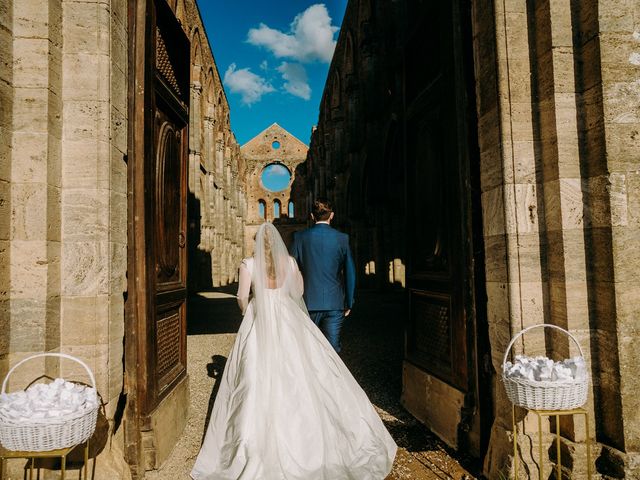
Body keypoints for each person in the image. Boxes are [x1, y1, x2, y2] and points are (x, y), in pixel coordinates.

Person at [190, 222, 396, 480]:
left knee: (255, 375)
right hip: (288, 316)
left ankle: (252, 444)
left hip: (259, 317)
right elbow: (298, 292)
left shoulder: (248, 264)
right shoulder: (289, 262)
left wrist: (251, 310)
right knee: (300, 370)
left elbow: (242, 296)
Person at [289, 198, 355, 352]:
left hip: (308, 302)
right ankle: (331, 376)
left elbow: (290, 269)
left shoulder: (299, 237)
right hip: (335, 302)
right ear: (332, 215)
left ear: (312, 216)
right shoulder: (342, 238)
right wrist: (349, 301)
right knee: (332, 349)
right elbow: (350, 272)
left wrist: (292, 297)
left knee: (309, 348)